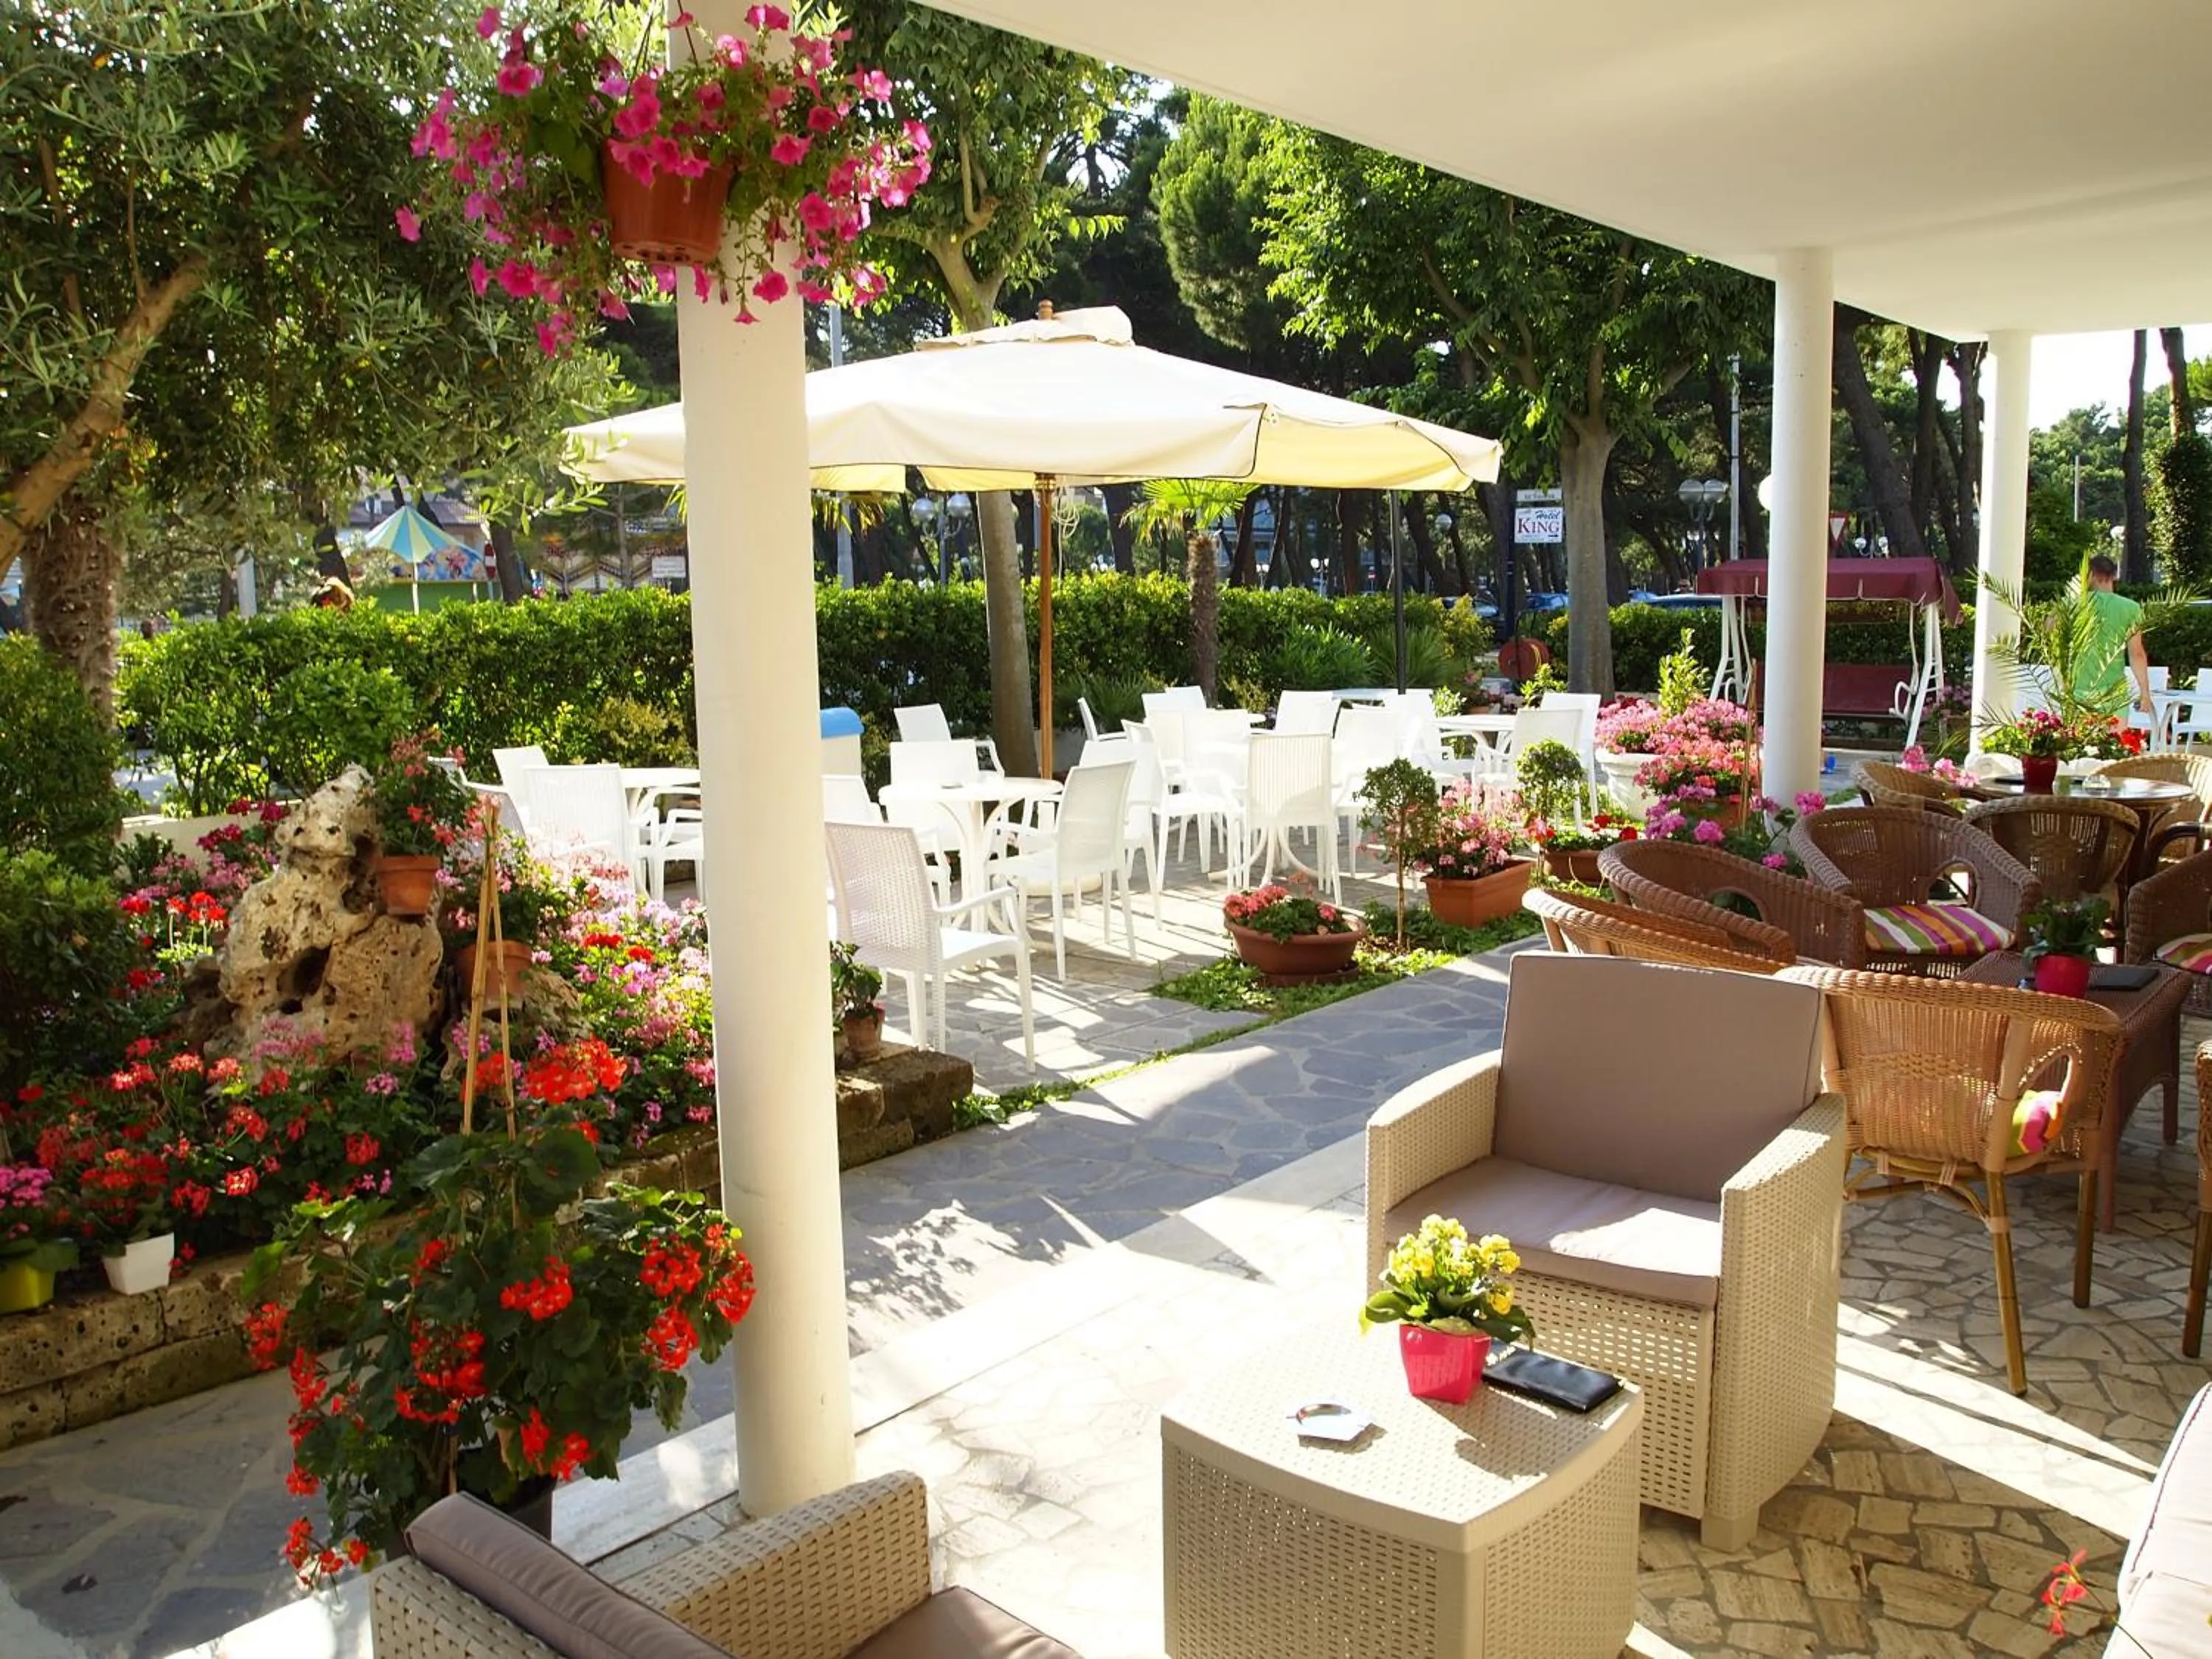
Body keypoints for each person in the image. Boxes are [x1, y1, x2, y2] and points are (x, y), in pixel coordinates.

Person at [2075, 554, 2153, 719]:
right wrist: (2145, 692)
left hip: (2078, 690)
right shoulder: (2131, 608)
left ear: (2089, 575)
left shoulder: (2074, 603)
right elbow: (2136, 654)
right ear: (2114, 576)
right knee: (2115, 743)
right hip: (2114, 693)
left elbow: (2048, 629)